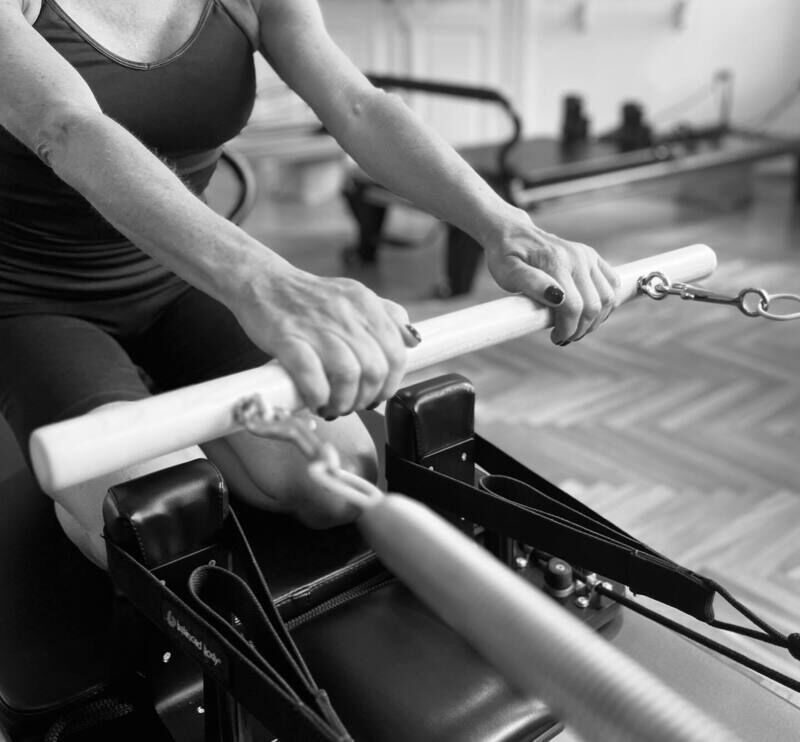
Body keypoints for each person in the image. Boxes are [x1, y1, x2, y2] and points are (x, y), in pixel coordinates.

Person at [0, 0, 619, 567]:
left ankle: (165, 406)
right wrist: (267, 283)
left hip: (184, 277)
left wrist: (504, 224)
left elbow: (357, 106)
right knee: (159, 521)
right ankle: (96, 465)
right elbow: (66, 125)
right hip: (30, 299)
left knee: (339, 480)